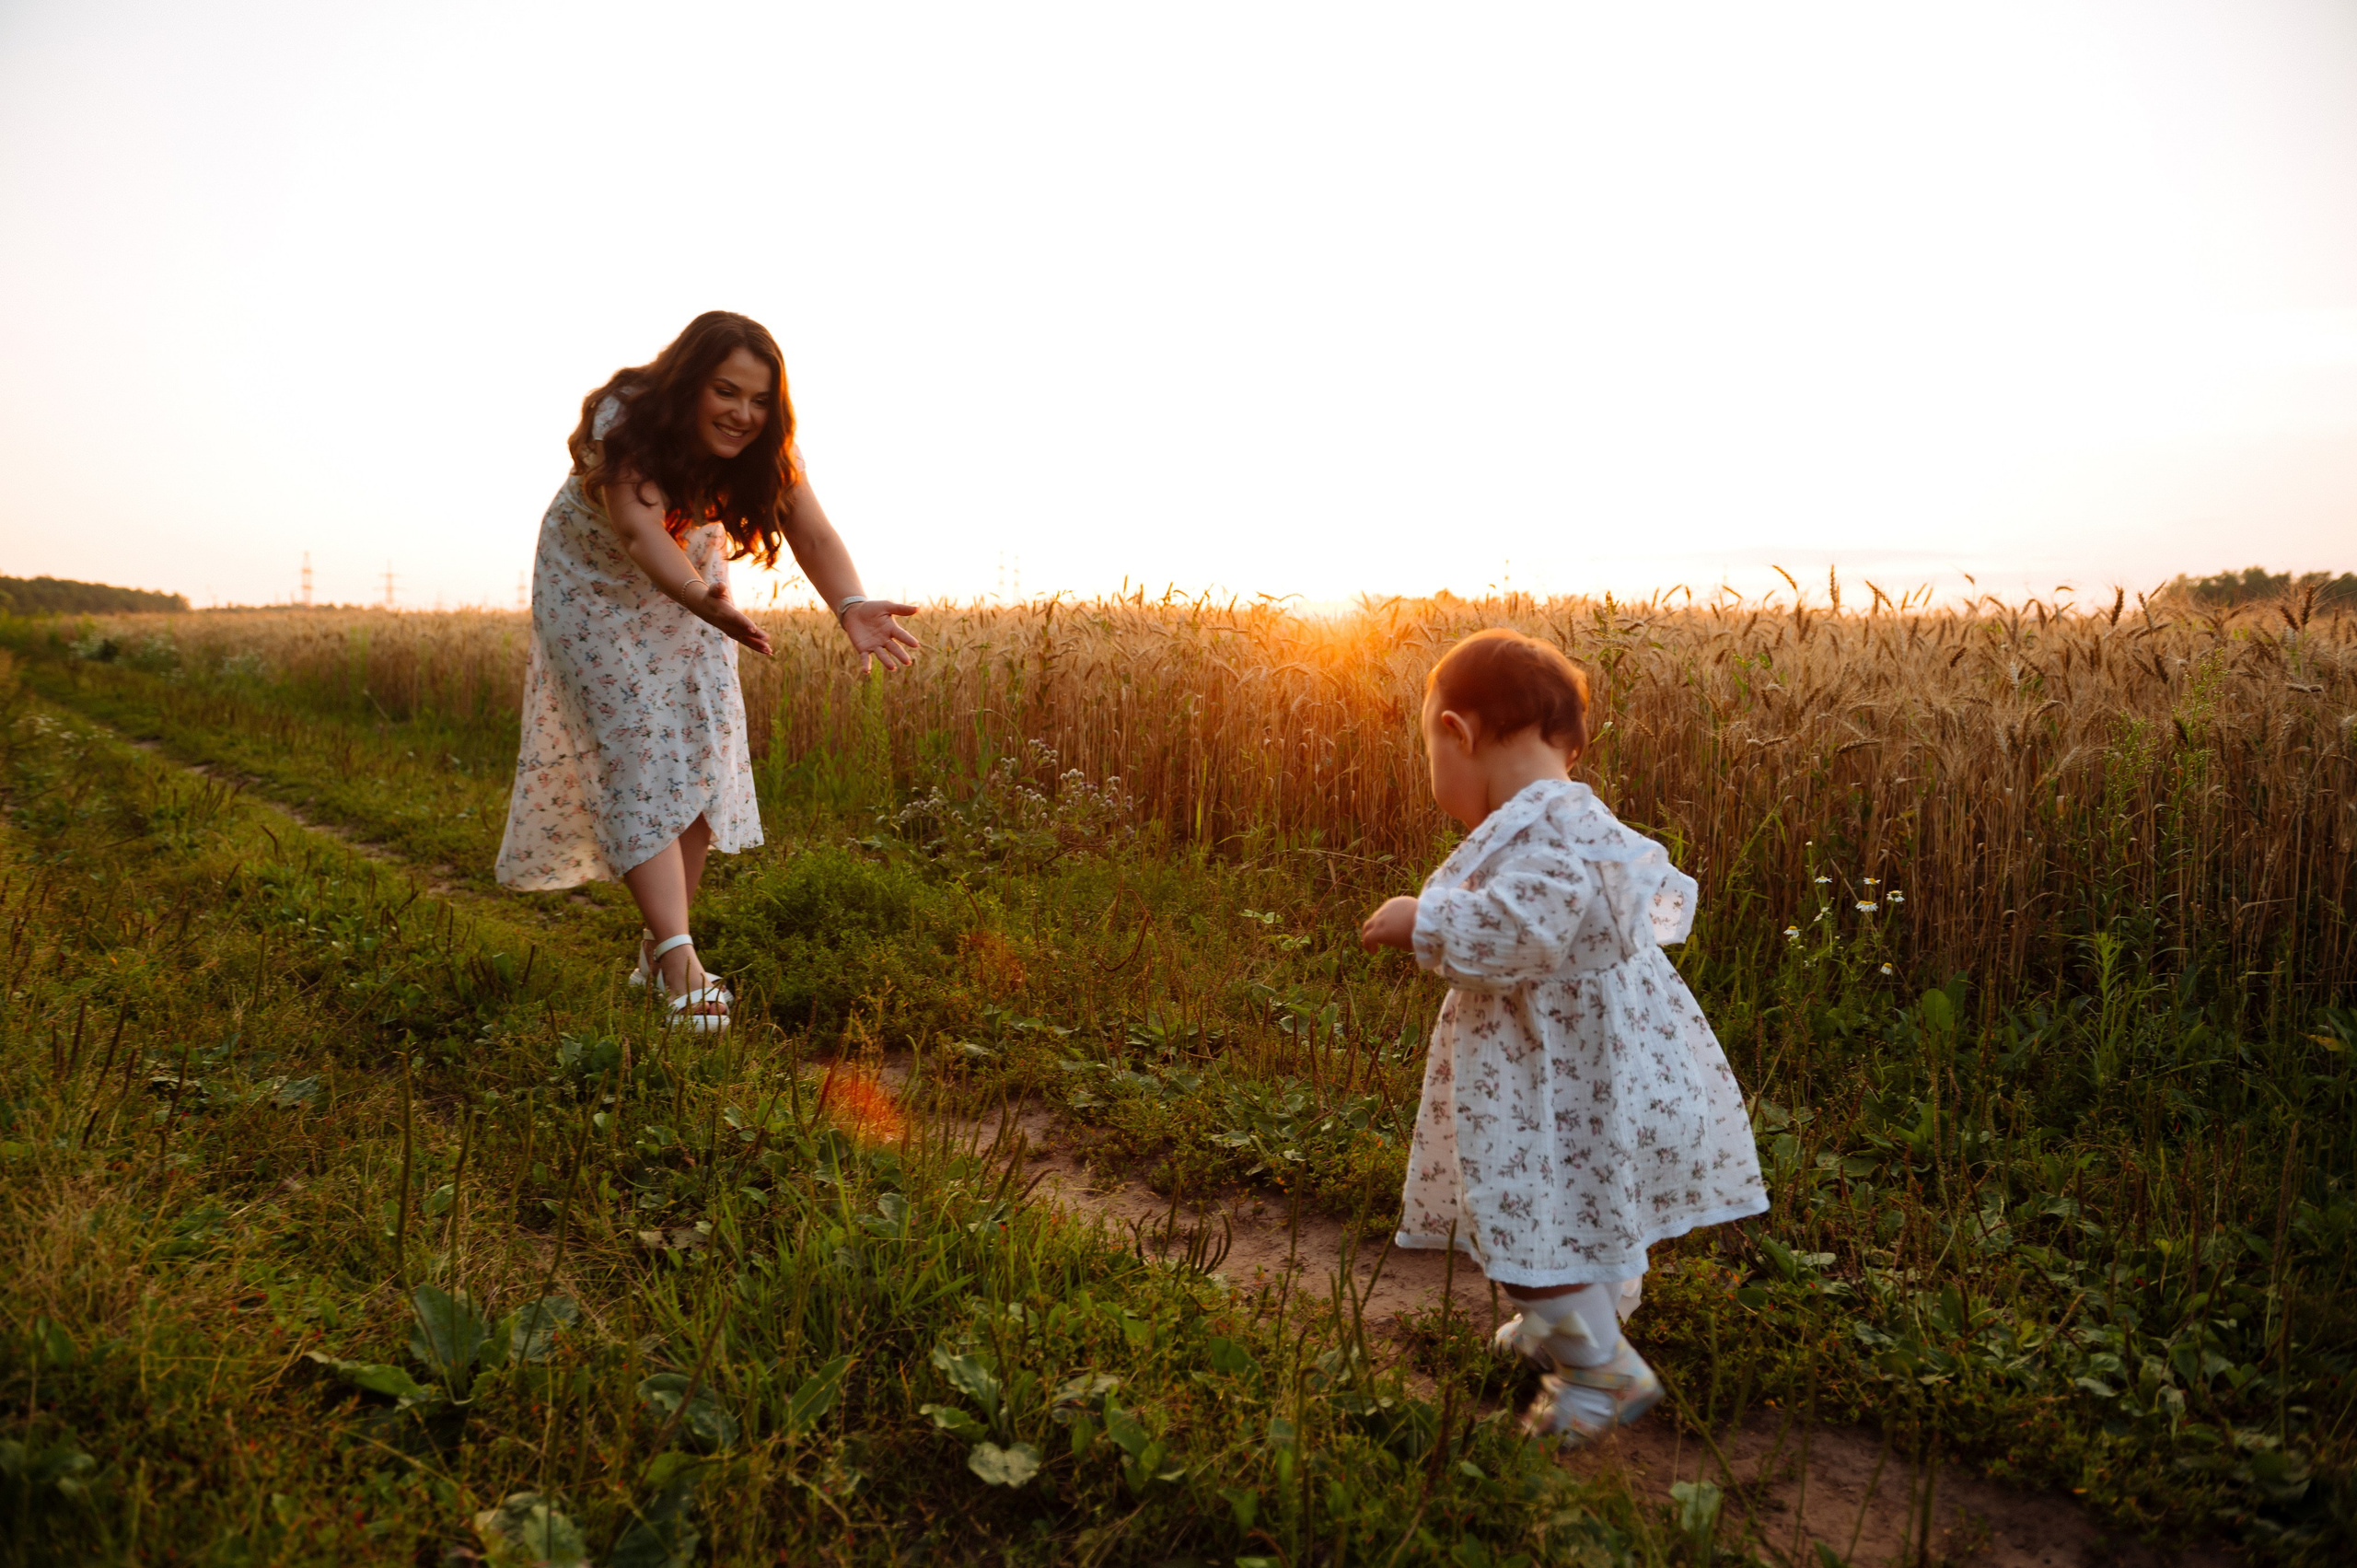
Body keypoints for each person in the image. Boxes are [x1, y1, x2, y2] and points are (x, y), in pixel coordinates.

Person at [1359, 628, 1767, 1445]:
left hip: (1548, 1070)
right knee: (1576, 1203)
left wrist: (1423, 920)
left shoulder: (1546, 832)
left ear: (1457, 733)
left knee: (1522, 1211)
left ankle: (1597, 1370)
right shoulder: (1573, 814)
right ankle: (1566, 1325)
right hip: (1589, 1064)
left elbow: (1523, 929)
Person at [495, 311, 919, 1030]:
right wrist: (700, 599)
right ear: (690, 382)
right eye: (726, 392)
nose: (743, 414)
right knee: (635, 745)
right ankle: (680, 960)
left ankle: (659, 953)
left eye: (759, 400)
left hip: (695, 588)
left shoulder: (766, 446)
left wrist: (849, 603)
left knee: (697, 744)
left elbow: (810, 528)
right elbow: (636, 531)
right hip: (595, 584)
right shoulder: (624, 416)